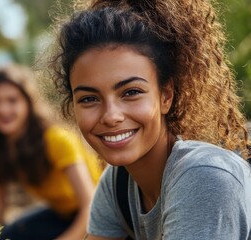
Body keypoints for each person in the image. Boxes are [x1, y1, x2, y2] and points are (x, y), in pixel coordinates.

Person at [48, 0, 251, 239]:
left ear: (166, 95)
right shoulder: (117, 185)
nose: (111, 116)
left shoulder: (205, 177)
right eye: (89, 99)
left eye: (131, 92)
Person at [0, 64, 103, 240]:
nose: (3, 110)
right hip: (59, 214)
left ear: (28, 103)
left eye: (12, 100)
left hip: (101, 213)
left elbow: (90, 204)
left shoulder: (57, 140)